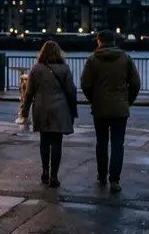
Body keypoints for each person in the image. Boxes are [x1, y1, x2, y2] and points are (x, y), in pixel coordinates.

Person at [80, 29, 141, 192]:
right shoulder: (125, 57)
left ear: (99, 41)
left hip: (99, 108)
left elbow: (85, 84)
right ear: (114, 41)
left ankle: (101, 176)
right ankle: (115, 180)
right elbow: (135, 83)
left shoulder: (92, 59)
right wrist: (128, 101)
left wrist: (93, 99)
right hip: (120, 108)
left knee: (101, 143)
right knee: (117, 144)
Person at [18, 40, 77, 187]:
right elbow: (71, 91)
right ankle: (54, 176)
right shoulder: (64, 68)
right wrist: (73, 111)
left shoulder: (36, 69)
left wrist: (24, 112)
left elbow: (29, 92)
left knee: (44, 141)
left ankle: (44, 172)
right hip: (60, 109)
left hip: (41, 108)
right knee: (57, 143)